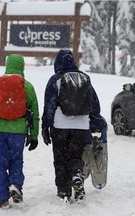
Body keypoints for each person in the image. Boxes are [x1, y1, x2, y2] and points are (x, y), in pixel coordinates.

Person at [41, 49, 106, 204]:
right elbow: (94, 104)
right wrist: (97, 123)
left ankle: (63, 191)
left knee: (60, 159)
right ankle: (77, 175)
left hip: (60, 126)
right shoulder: (84, 78)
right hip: (81, 127)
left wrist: (45, 126)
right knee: (75, 156)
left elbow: (49, 105)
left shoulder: (55, 80)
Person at [0, 54, 39, 209]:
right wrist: (34, 135)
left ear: (7, 65)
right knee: (16, 160)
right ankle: (16, 185)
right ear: (22, 67)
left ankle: (3, 200)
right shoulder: (27, 86)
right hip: (18, 131)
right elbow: (35, 112)